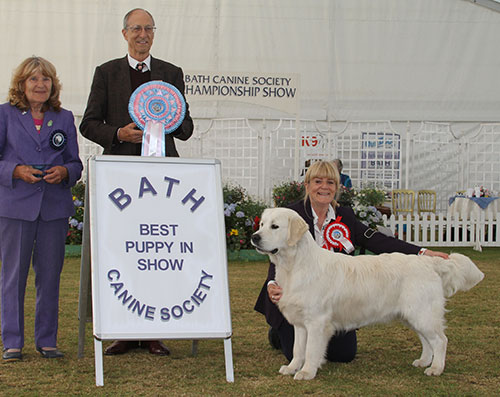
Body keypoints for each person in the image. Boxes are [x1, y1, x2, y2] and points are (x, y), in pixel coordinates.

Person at [80, 8, 194, 356]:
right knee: (122, 254)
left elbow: (186, 130)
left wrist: (169, 119)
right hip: (120, 183)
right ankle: (123, 330)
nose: (143, 34)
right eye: (136, 29)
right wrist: (118, 132)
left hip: (163, 185)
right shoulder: (106, 72)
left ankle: (154, 332)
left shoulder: (171, 73)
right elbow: (88, 123)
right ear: (125, 33)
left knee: (156, 253)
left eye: (149, 29)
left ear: (154, 34)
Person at [254, 160, 448, 363]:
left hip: (333, 299)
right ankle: (280, 331)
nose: (324, 187)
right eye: (318, 181)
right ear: (307, 185)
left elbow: (378, 241)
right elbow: (277, 256)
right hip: (294, 295)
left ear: (337, 188)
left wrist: (422, 252)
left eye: (330, 182)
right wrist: (272, 283)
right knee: (291, 347)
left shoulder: (345, 215)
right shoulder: (290, 215)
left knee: (343, 355)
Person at [0, 56, 83, 361]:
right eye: (34, 79)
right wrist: (14, 170)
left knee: (50, 275)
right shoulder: (4, 115)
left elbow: (75, 163)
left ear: (53, 84)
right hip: (15, 208)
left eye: (46, 79)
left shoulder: (64, 117)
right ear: (21, 83)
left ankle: (46, 341)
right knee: (13, 276)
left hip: (53, 209)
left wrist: (66, 173)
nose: (40, 84)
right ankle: (12, 342)